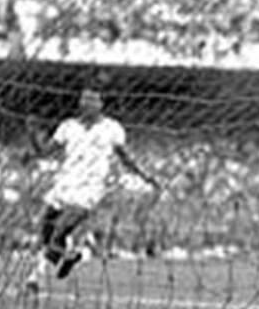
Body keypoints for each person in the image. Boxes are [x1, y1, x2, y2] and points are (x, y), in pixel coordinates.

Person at [24, 88, 159, 292]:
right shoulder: (67, 126)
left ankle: (35, 279)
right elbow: (44, 151)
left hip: (89, 189)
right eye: (84, 99)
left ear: (101, 103)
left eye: (93, 99)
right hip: (64, 183)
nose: (87, 103)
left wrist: (145, 175)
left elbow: (126, 158)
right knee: (46, 230)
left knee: (62, 228)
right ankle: (69, 254)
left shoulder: (112, 128)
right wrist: (33, 134)